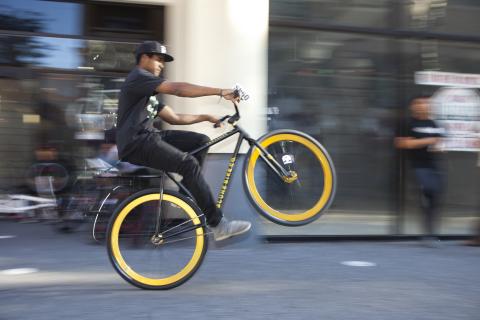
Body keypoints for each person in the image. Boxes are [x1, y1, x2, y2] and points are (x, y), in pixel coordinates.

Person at [116, 41, 251, 241]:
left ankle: (184, 195)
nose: (162, 65)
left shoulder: (147, 92)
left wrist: (205, 116)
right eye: (158, 59)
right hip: (136, 141)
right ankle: (218, 224)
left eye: (163, 61)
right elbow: (178, 89)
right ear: (144, 58)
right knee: (188, 164)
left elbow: (174, 118)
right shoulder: (139, 77)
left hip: (147, 136)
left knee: (200, 141)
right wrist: (220, 91)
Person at [395, 96, 445, 245]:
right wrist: (428, 141)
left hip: (434, 166)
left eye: (426, 103)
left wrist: (438, 147)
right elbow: (402, 143)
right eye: (419, 103)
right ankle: (426, 232)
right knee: (427, 192)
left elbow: (439, 143)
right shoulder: (408, 123)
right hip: (417, 166)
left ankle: (430, 232)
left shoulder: (434, 123)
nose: (423, 105)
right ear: (413, 106)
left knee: (434, 197)